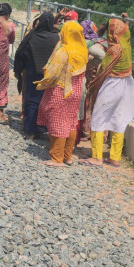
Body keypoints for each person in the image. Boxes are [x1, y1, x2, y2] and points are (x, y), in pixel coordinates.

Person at [35, 21, 89, 166]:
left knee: (57, 122)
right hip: (75, 92)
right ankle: (67, 156)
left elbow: (52, 72)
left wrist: (42, 81)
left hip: (61, 90)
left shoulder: (64, 51)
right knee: (70, 123)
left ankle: (56, 158)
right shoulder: (83, 50)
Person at [82, 18, 134, 167]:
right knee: (119, 119)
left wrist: (93, 86)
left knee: (98, 118)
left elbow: (103, 70)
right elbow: (126, 32)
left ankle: (97, 157)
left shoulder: (114, 50)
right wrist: (126, 21)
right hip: (127, 84)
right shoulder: (127, 45)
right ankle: (115, 157)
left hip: (112, 84)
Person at [14, 12, 58, 139]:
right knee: (48, 101)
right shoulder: (56, 38)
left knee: (32, 100)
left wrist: (20, 68)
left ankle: (31, 130)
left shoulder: (32, 35)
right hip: (50, 75)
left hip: (33, 72)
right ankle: (45, 128)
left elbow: (21, 52)